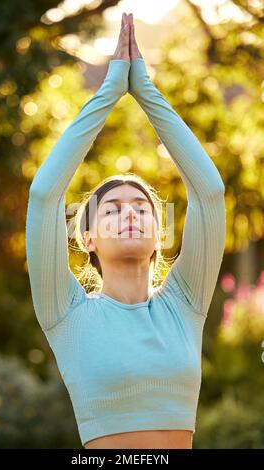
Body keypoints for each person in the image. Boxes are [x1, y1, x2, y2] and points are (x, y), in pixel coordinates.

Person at [25, 12, 226, 449]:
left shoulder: (186, 304)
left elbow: (208, 192)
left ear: (160, 234)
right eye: (112, 209)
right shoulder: (67, 313)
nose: (131, 213)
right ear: (88, 238)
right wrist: (112, 91)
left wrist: (147, 92)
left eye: (142, 207)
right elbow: (44, 196)